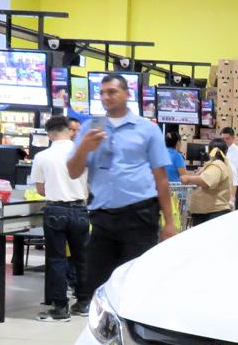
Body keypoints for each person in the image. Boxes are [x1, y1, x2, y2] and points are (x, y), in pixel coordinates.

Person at [68, 74, 177, 299]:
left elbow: (161, 178)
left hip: (139, 214)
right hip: (102, 217)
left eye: (112, 92)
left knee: (136, 280)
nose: (106, 97)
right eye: (102, 93)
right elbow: (73, 171)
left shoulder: (146, 129)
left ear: (127, 94)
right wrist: (84, 147)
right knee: (96, 283)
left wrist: (169, 223)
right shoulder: (91, 128)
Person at [30, 116, 90, 321]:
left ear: (48, 134)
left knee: (57, 259)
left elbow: (39, 189)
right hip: (81, 210)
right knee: (82, 258)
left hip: (55, 210)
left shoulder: (42, 156)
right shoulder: (83, 153)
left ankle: (60, 309)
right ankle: (83, 303)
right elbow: (91, 185)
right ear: (68, 130)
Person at [182, 138, 233, 225]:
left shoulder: (217, 165)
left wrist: (188, 178)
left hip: (212, 213)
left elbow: (206, 181)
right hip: (210, 212)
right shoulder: (220, 164)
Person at [220, 126, 238, 204]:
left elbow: (235, 172)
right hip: (224, 183)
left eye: (227, 139)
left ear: (233, 138)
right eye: (223, 139)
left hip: (235, 184)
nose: (224, 141)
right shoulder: (220, 150)